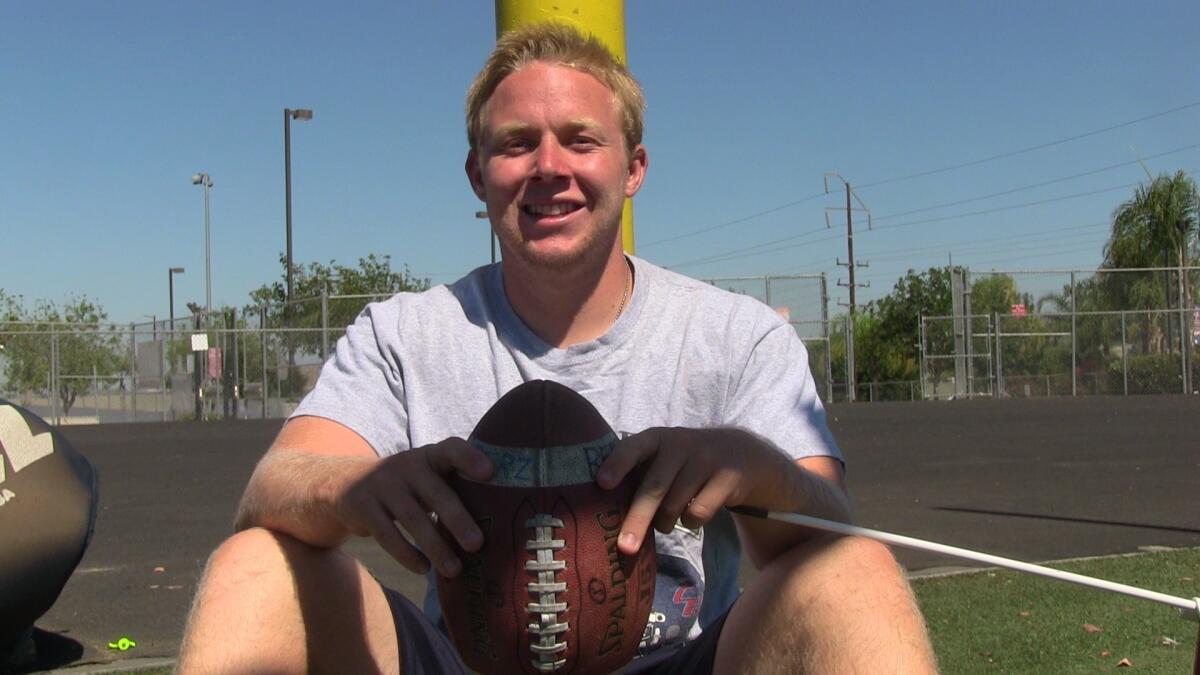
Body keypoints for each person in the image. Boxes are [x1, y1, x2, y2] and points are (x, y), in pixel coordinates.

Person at [179, 22, 937, 674]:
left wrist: (748, 463)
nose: (549, 167)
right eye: (516, 144)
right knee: (254, 567)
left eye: (581, 139)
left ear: (633, 168)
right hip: (462, 657)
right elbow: (271, 489)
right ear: (478, 175)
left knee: (855, 574)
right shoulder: (405, 332)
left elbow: (831, 524)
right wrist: (354, 487)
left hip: (677, 660)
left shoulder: (734, 334)